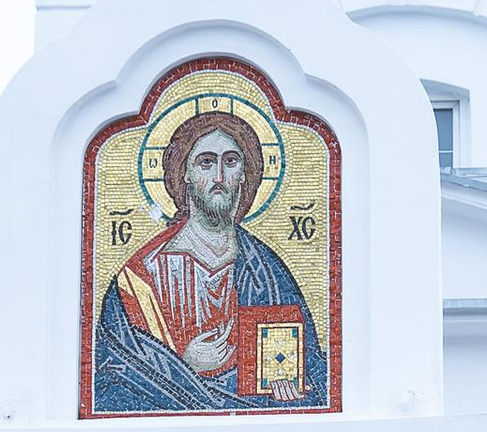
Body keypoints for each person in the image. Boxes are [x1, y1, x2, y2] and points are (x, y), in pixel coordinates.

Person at [92, 110, 330, 413]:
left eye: (230, 162)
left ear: (245, 174)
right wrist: (184, 364)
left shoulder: (268, 270)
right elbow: (113, 376)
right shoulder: (140, 277)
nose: (219, 177)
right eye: (206, 162)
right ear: (185, 173)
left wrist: (292, 393)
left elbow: (315, 376)